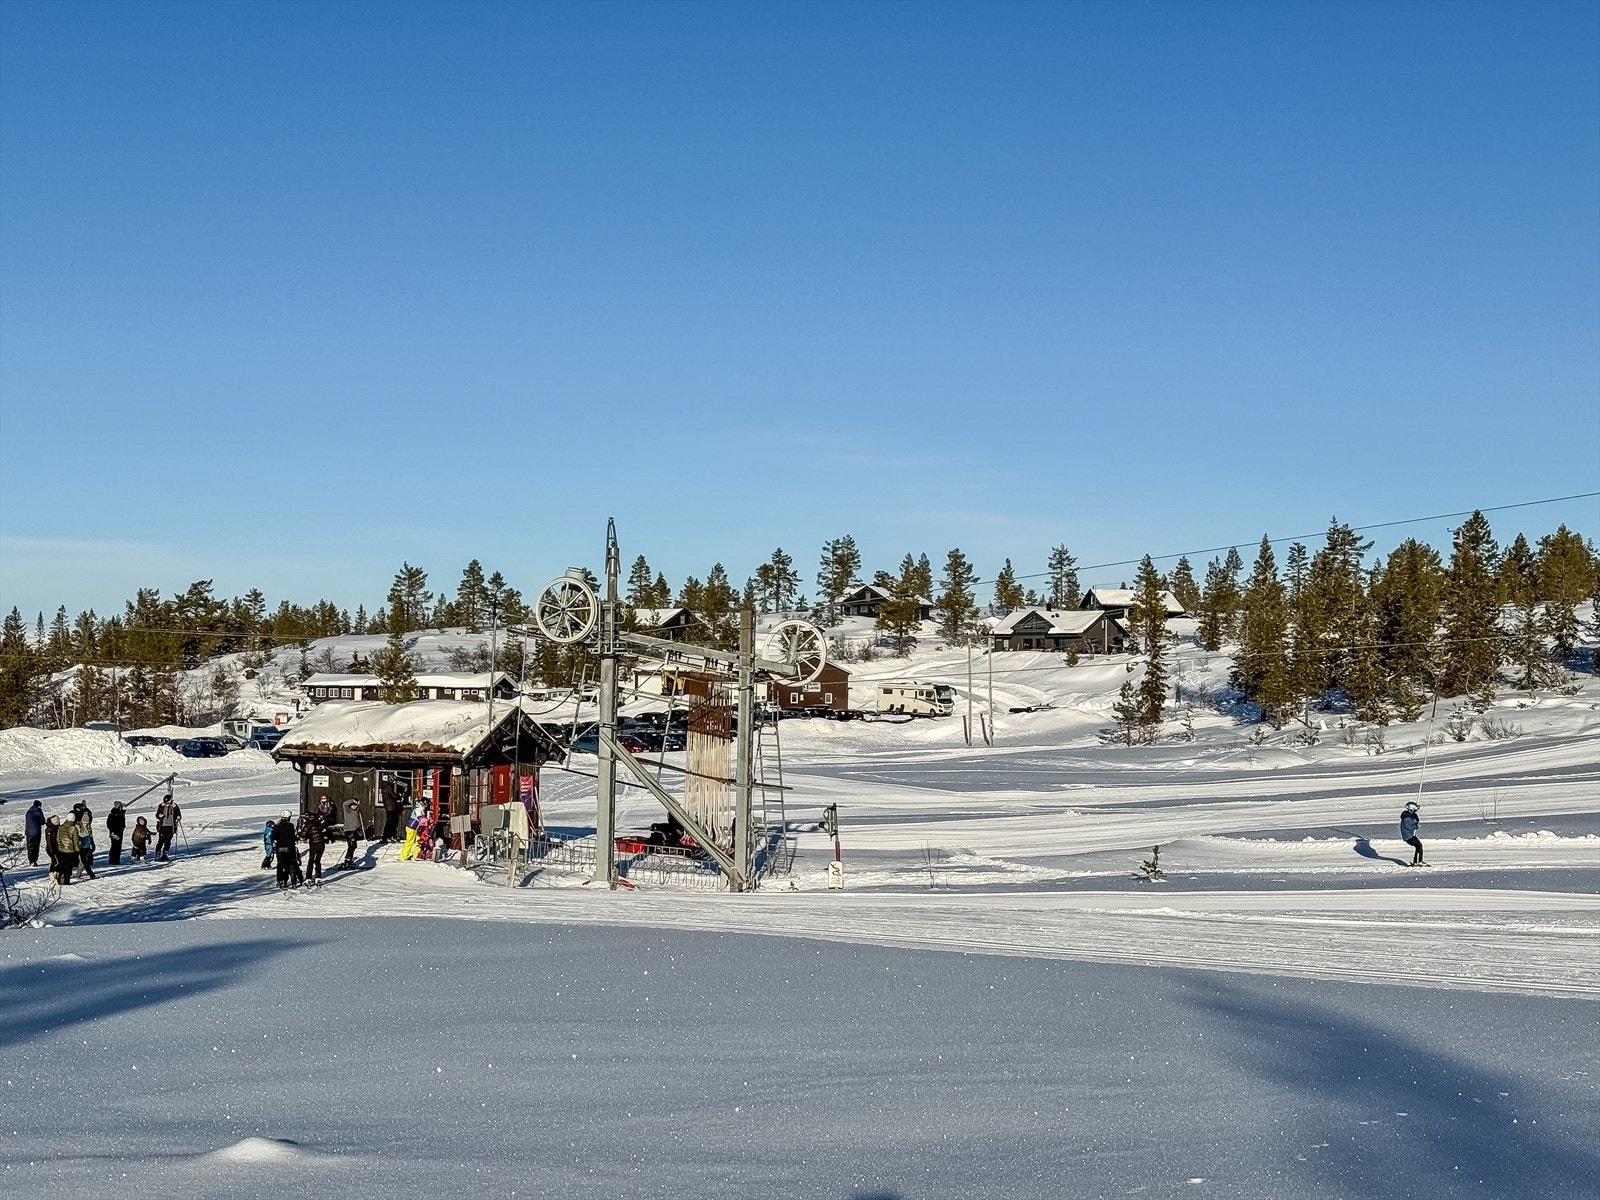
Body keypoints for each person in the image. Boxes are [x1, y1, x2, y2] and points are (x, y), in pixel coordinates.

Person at [299, 797, 331, 884]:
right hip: (321, 844)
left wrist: (300, 834)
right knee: (318, 861)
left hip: (314, 844)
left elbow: (303, 835)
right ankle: (318, 877)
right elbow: (324, 831)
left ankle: (308, 878)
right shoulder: (318, 823)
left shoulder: (308, 825)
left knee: (311, 861)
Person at [270, 810, 299, 890]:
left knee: (280, 864)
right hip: (289, 848)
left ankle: (280, 880)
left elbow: (272, 837)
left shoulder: (277, 826)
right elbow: (293, 836)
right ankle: (293, 881)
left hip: (280, 848)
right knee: (291, 864)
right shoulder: (290, 826)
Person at [154, 792, 181, 862]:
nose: (168, 804)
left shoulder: (174, 807)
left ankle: (165, 855)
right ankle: (157, 855)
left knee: (168, 842)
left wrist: (178, 817)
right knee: (161, 841)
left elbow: (178, 813)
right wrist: (159, 815)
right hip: (162, 826)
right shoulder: (161, 806)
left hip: (171, 826)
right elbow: (157, 815)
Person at [54, 815, 80, 885]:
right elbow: (75, 840)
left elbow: (58, 838)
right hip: (70, 850)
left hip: (61, 849)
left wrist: (59, 846)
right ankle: (66, 880)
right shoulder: (73, 828)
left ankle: (60, 878)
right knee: (68, 866)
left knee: (62, 864)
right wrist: (77, 849)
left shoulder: (60, 827)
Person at [75, 808, 98, 880]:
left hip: (87, 847)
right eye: (84, 823)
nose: (85, 824)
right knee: (83, 862)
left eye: (87, 823)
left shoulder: (89, 828)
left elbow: (91, 837)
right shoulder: (78, 827)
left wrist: (93, 845)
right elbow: (76, 837)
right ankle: (87, 875)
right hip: (80, 847)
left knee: (86, 861)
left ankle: (88, 874)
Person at [1400, 800, 1424, 867]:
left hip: (1411, 835)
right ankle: (1419, 861)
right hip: (1408, 837)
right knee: (1419, 846)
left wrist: (1415, 819)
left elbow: (1415, 820)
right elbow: (1409, 827)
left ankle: (1417, 861)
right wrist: (1415, 826)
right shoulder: (1407, 817)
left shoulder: (1410, 816)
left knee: (1418, 846)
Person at [341, 798, 363, 869]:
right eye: (353, 805)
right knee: (352, 845)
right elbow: (344, 804)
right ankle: (348, 859)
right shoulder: (348, 810)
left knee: (354, 845)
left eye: (355, 805)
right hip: (349, 830)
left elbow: (357, 821)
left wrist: (359, 828)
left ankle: (349, 859)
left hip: (354, 830)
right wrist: (352, 800)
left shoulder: (356, 811)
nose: (354, 807)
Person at [379, 778, 402, 843]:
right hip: (392, 806)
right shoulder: (388, 786)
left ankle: (387, 836)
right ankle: (388, 836)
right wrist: (399, 796)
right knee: (391, 823)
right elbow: (393, 795)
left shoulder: (383, 786)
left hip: (387, 806)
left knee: (389, 822)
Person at [105, 800, 127, 865]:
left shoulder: (121, 814)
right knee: (114, 846)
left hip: (120, 832)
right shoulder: (112, 815)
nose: (121, 807)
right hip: (114, 833)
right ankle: (112, 860)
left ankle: (117, 860)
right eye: (120, 806)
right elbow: (109, 824)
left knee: (119, 846)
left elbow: (122, 823)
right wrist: (112, 832)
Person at [24, 799, 45, 866]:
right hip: (36, 832)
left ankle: (30, 860)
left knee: (30, 847)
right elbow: (42, 821)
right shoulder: (38, 812)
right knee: (36, 847)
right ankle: (34, 860)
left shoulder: (28, 812)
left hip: (28, 832)